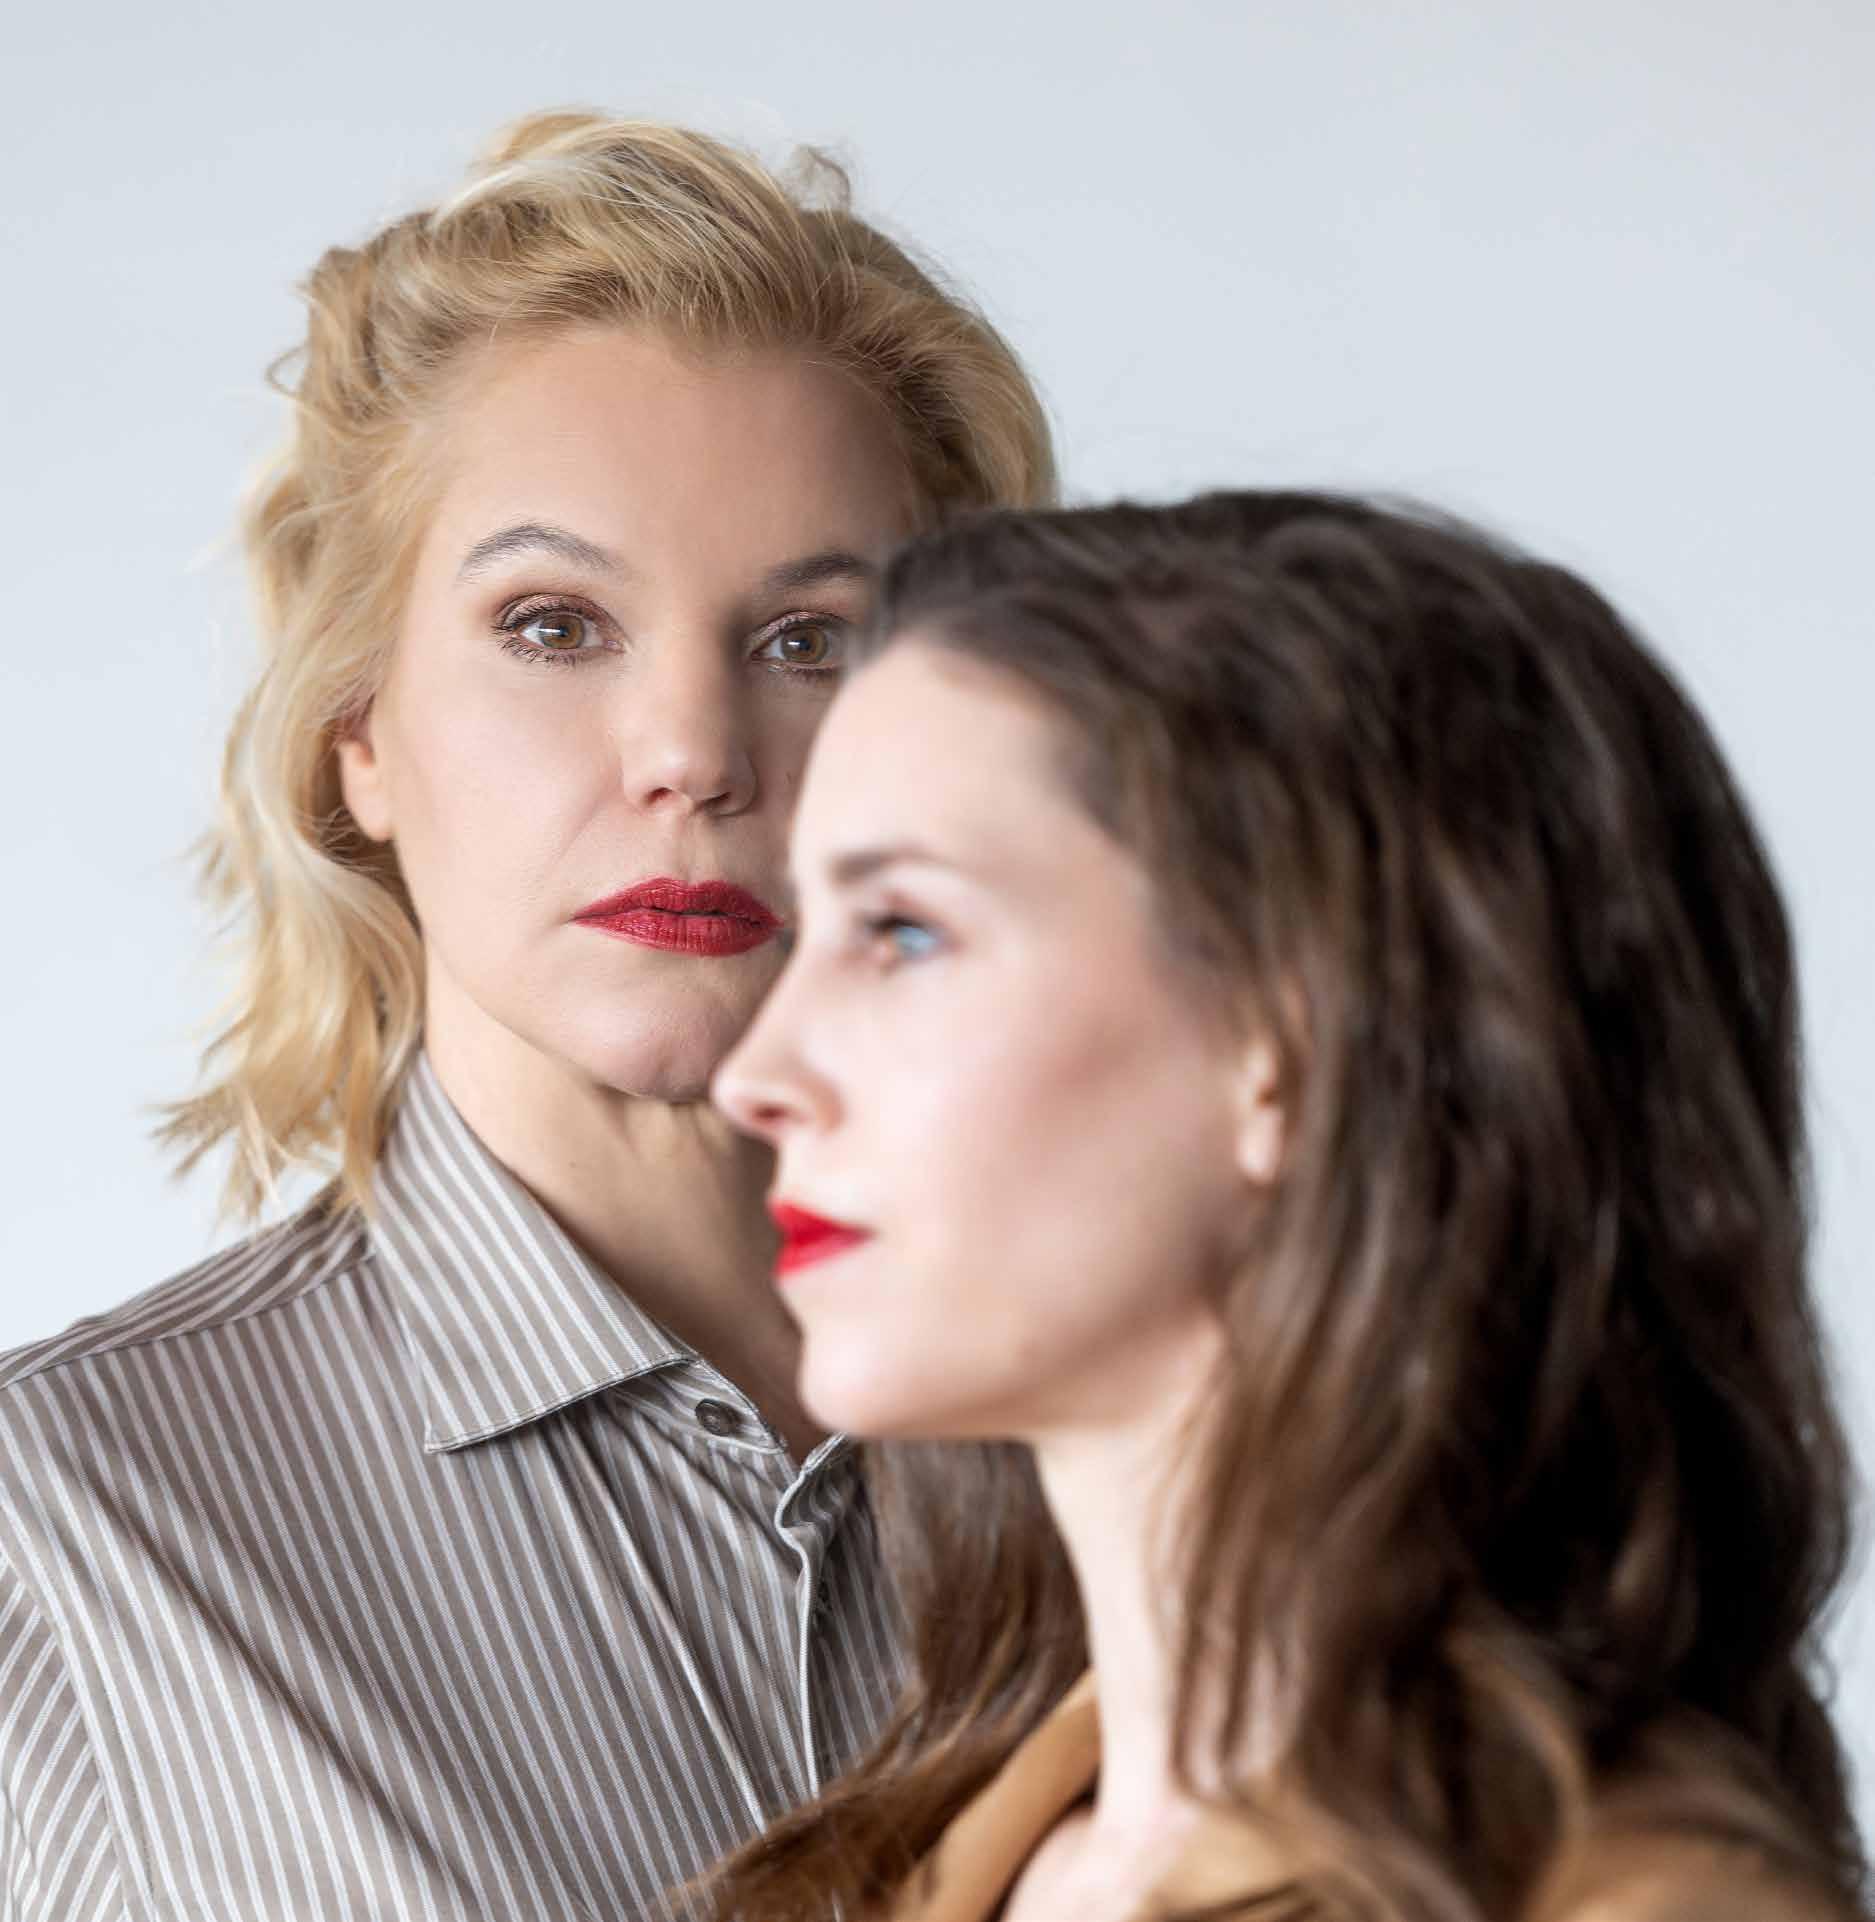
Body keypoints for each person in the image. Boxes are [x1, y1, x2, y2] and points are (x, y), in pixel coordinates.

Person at [0, 111, 1051, 1921]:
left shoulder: (1193, 1441)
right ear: (360, 726)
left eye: (810, 639)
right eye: (555, 625)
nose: (694, 755)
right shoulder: (61, 1531)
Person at [709, 494, 1868, 1922]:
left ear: (1294, 1037)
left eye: (903, 930)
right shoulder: (889, 1871)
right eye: (806, 930)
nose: (756, 1077)